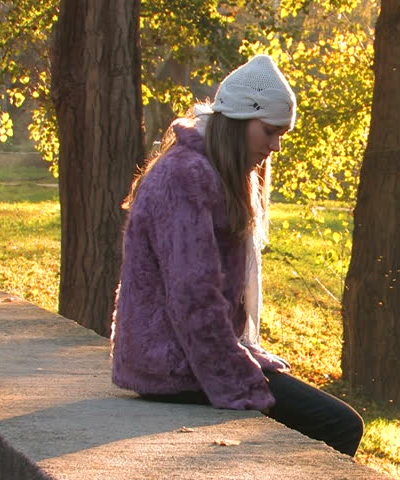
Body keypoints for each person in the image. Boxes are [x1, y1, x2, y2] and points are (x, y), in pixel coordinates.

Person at [110, 55, 363, 457]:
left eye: (282, 135)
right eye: (270, 132)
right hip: (173, 366)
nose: (275, 146)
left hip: (187, 361)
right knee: (340, 425)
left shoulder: (215, 170)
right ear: (239, 120)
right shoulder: (185, 175)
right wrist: (238, 383)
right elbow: (194, 299)